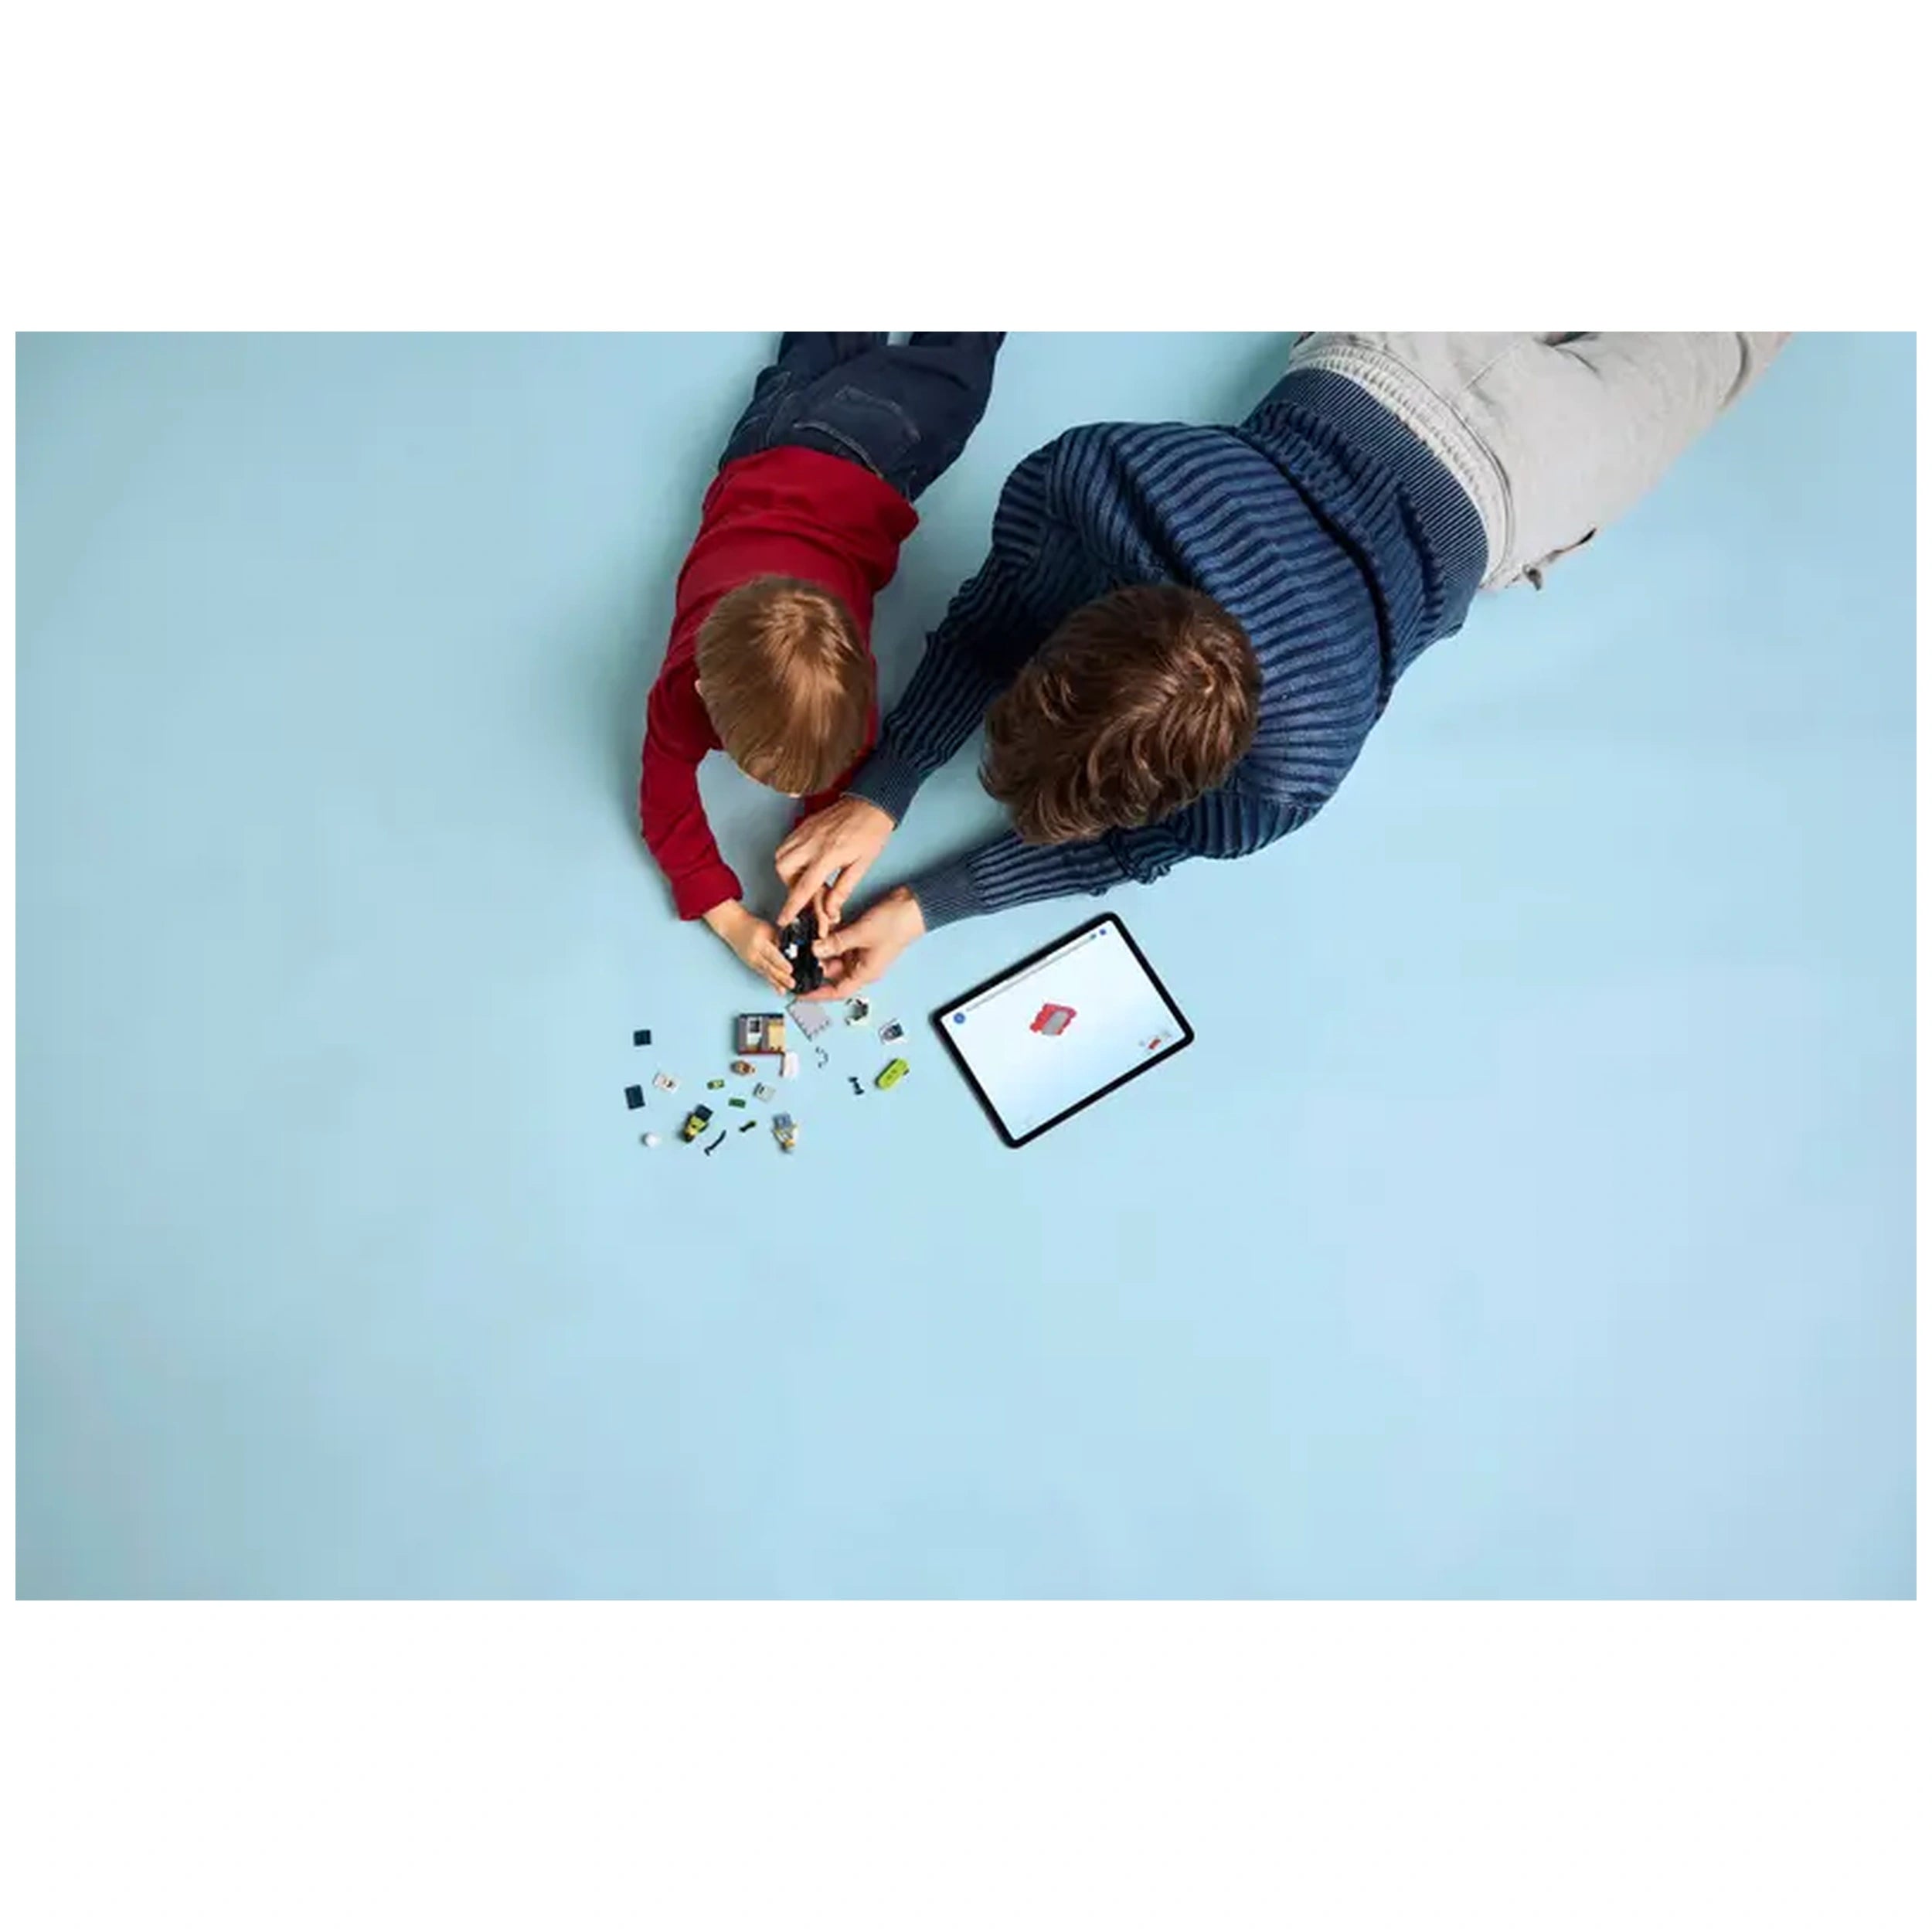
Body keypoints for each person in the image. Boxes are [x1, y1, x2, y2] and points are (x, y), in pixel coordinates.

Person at [774, 332, 1791, 994]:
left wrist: (927, 903)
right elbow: (1005, 626)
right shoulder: (1103, 479)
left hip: (1510, 458)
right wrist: (888, 791)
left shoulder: (1288, 766)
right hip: (1412, 361)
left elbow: (1121, 839)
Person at [639, 331, 1005, 990]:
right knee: (842, 344)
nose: (785, 794)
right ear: (701, 690)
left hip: (844, 451)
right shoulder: (679, 694)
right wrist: (735, 916)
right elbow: (662, 802)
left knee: (951, 375)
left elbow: (835, 775)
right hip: (780, 446)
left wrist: (813, 863)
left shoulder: (843, 703)